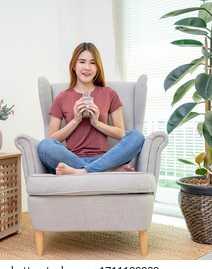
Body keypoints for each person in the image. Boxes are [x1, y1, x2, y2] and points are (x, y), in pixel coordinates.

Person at [38, 42, 145, 175]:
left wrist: (97, 123)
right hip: (72, 159)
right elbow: (52, 139)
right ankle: (107, 171)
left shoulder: (109, 93)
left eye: (92, 63)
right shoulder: (62, 98)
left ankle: (83, 172)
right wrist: (76, 120)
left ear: (98, 67)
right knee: (44, 145)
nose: (87, 67)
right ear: (74, 65)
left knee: (137, 136)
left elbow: (121, 134)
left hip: (104, 158)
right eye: (82, 62)